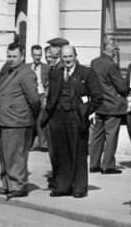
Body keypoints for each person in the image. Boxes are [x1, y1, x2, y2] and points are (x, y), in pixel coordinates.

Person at [42, 44, 102, 198]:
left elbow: (97, 97)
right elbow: (51, 97)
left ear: (75, 56)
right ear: (61, 58)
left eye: (70, 56)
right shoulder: (55, 73)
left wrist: (85, 111)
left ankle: (79, 188)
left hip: (76, 118)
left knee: (78, 152)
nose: (67, 60)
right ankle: (62, 186)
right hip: (58, 118)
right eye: (64, 57)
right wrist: (49, 115)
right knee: (60, 153)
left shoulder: (86, 73)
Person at [0, 43, 40, 199]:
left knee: (16, 155)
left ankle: (18, 185)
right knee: (5, 154)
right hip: (4, 119)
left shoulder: (26, 73)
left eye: (14, 57)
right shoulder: (6, 70)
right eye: (9, 56)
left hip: (18, 120)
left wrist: (29, 116)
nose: (10, 59)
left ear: (22, 57)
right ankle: (7, 185)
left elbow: (34, 99)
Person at [88, 36, 130, 175]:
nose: (116, 51)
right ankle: (108, 165)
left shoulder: (94, 62)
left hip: (98, 104)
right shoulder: (111, 65)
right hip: (112, 105)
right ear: (111, 48)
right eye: (116, 48)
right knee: (111, 136)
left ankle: (94, 164)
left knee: (97, 135)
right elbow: (122, 87)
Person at [29, 44, 47, 150]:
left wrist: (46, 96)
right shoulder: (26, 67)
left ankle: (43, 144)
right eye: (35, 55)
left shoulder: (46, 68)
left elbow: (49, 83)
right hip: (31, 96)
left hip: (41, 95)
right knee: (30, 120)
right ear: (32, 55)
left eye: (39, 55)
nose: (37, 57)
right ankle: (29, 144)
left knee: (41, 120)